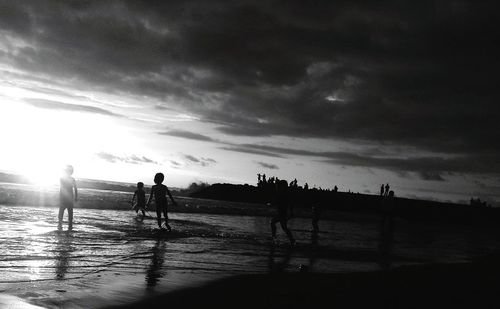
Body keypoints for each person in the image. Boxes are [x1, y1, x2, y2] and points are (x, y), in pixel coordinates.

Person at [270, 179, 295, 246]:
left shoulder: (282, 194)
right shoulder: (285, 194)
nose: (277, 187)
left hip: (282, 214)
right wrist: (291, 212)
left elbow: (276, 202)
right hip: (283, 213)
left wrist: (271, 204)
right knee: (284, 227)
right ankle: (292, 240)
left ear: (282, 187)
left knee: (273, 223)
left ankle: (274, 237)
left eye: (278, 186)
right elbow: (290, 204)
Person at [58, 165, 77, 230]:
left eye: (69, 171)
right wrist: (76, 197)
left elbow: (75, 189)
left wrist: (76, 197)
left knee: (68, 213)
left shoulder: (71, 179)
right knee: (63, 212)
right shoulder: (63, 178)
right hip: (65, 198)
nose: (68, 172)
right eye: (67, 171)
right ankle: (62, 224)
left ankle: (68, 226)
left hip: (68, 198)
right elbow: (62, 188)